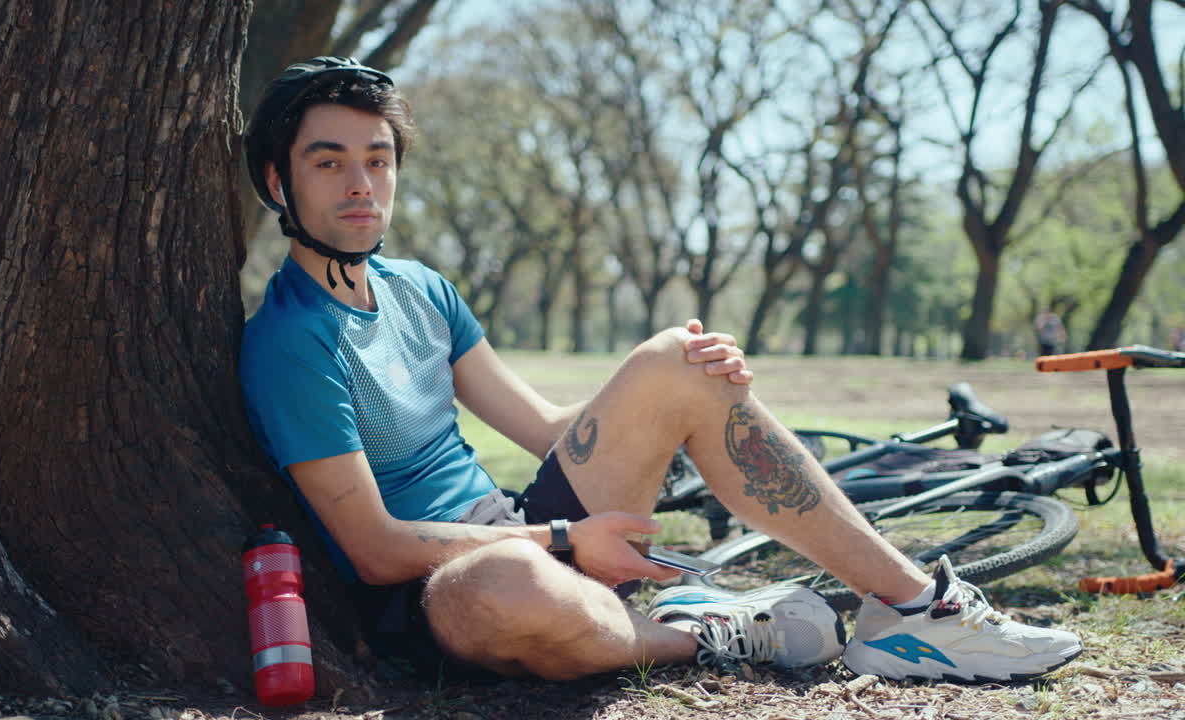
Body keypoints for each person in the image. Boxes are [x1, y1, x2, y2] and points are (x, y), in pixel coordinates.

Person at [239, 57, 1082, 685]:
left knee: (677, 357)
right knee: (504, 580)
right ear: (280, 182)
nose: (362, 184)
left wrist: (689, 394)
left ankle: (913, 610)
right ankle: (701, 632)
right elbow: (376, 549)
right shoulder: (288, 340)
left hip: (526, 523)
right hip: (447, 591)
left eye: (378, 158)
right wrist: (566, 539)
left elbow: (544, 430)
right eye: (329, 161)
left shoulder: (421, 289)